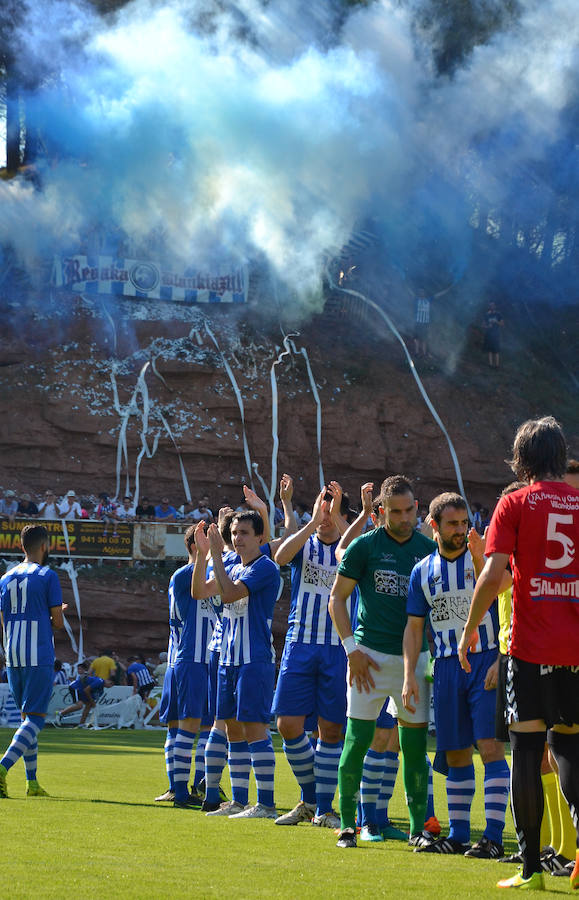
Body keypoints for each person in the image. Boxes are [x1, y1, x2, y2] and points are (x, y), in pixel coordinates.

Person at [457, 416, 579, 891]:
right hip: (574, 653)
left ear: (522, 460)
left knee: (527, 753)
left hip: (527, 649)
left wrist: (470, 629)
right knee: (569, 747)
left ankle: (530, 870)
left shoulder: (514, 503)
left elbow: (492, 575)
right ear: (559, 454)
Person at [328, 475, 437, 849]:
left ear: (417, 508)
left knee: (415, 749)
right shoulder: (364, 547)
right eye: (395, 512)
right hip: (368, 658)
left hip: (415, 661)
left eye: (409, 511)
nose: (404, 518)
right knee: (356, 741)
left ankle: (418, 830)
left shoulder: (428, 550)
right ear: (380, 512)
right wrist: (351, 650)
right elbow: (336, 599)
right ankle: (347, 826)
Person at [403, 492, 510, 858]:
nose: (461, 530)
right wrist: (409, 675)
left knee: (490, 747)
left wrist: (502, 658)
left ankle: (493, 837)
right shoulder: (422, 571)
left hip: (484, 661)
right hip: (446, 667)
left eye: (465, 523)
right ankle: (460, 835)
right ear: (434, 526)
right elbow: (414, 628)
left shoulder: (482, 560)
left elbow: (506, 596)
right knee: (456, 752)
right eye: (453, 524)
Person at [272, 482, 353, 830]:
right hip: (300, 643)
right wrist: (310, 523)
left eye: (331, 510)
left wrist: (338, 519)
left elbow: (363, 548)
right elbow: (279, 557)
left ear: (343, 515)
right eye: (321, 507)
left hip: (338, 648)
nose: (324, 516)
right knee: (287, 724)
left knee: (330, 730)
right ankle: (310, 798)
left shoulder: (351, 549)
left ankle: (322, 808)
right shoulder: (306, 546)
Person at [193, 511, 283, 820]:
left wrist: (217, 555)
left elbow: (230, 595)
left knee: (255, 729)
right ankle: (239, 800)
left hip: (254, 659)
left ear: (260, 537)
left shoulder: (266, 568)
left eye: (244, 532)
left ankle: (267, 804)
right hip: (228, 658)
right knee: (233, 731)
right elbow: (199, 592)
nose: (237, 538)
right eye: (234, 532)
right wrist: (204, 555)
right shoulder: (230, 564)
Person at [156, 525, 219, 808]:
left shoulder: (208, 576)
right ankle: (179, 790)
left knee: (204, 727)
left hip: (200, 659)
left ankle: (197, 785)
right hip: (190, 659)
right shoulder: (186, 576)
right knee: (185, 728)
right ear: (195, 545)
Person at [0, 524, 64, 797]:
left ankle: (32, 783)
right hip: (38, 652)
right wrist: (57, 613)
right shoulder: (48, 576)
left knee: (27, 718)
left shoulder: (5, 578)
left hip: (13, 653)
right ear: (45, 546)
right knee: (36, 719)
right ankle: (2, 768)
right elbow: (57, 624)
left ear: (21, 546)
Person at [406, 282, 453, 359]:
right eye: (420, 291)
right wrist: (405, 284)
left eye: (422, 291)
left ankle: (424, 354)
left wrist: (447, 290)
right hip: (418, 322)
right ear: (418, 293)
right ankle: (417, 353)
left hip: (425, 323)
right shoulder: (417, 300)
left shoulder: (428, 300)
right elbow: (410, 292)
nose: (421, 293)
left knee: (424, 339)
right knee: (416, 338)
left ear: (424, 293)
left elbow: (438, 295)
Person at [482, 300, 504, 369]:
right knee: (489, 350)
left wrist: (496, 322)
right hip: (488, 334)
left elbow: (502, 324)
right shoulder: (486, 315)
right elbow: (483, 325)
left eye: (493, 305)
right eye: (490, 305)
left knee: (496, 350)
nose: (491, 307)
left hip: (496, 334)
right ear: (489, 307)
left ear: (495, 306)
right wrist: (488, 326)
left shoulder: (498, 314)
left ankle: (497, 365)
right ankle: (490, 365)